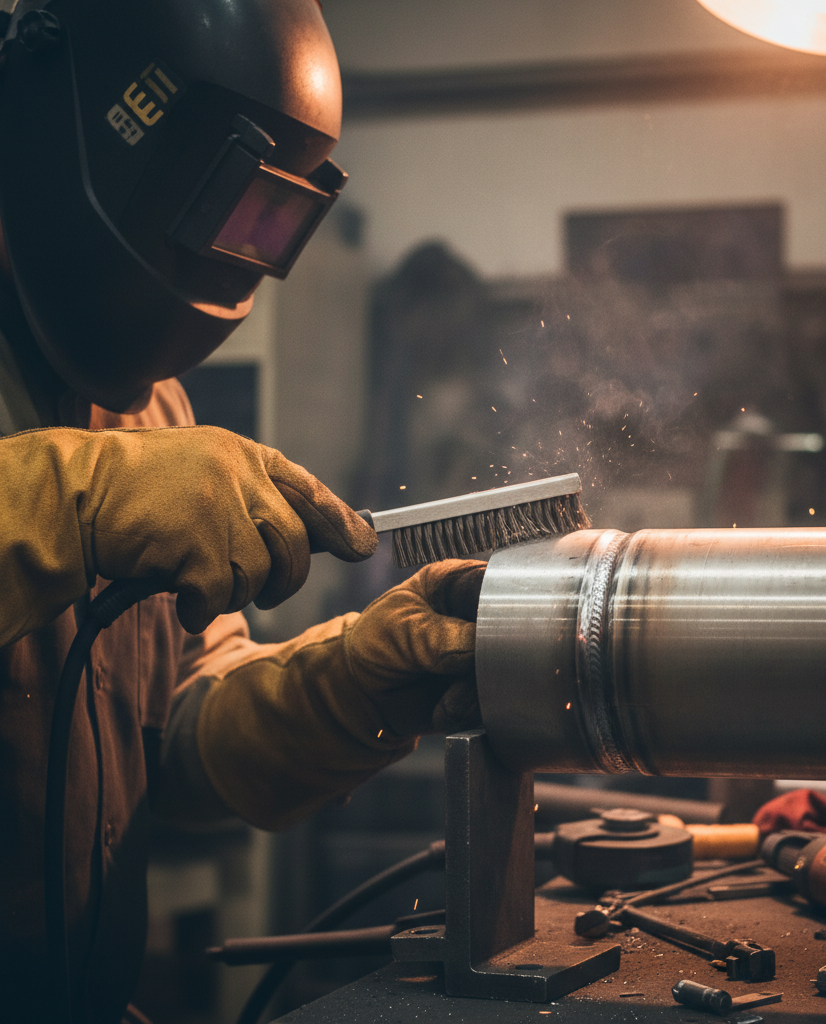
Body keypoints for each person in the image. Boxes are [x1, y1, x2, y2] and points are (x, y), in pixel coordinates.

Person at [0, 1, 484, 1021]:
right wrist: (74, 498)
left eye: (264, 219)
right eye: (219, 199)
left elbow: (173, 733)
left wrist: (349, 682)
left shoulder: (147, 410)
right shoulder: (125, 457)